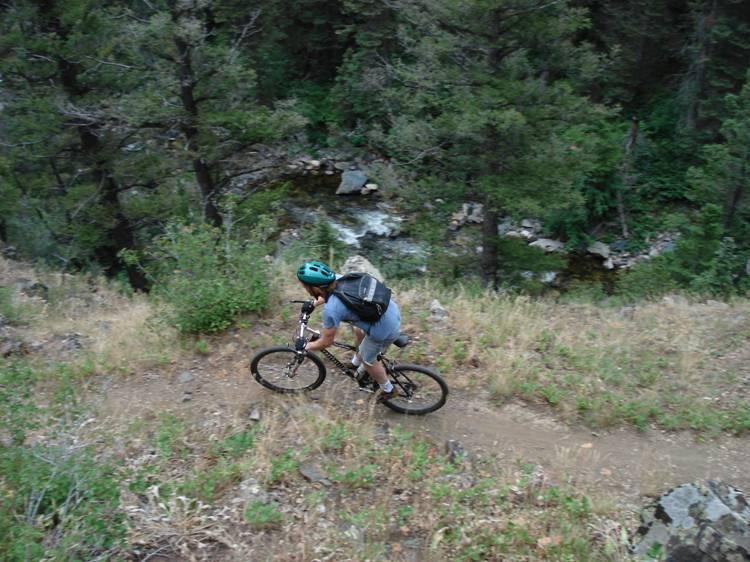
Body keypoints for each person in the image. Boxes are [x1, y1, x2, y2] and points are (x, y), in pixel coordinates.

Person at [296, 260, 401, 401]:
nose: (304, 288)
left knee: (368, 361)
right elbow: (330, 294)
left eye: (305, 286)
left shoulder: (331, 310)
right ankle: (354, 364)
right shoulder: (338, 279)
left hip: (384, 328)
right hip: (390, 310)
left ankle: (389, 389)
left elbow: (326, 342)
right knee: (358, 331)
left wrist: (306, 346)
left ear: (315, 288)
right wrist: (314, 303)